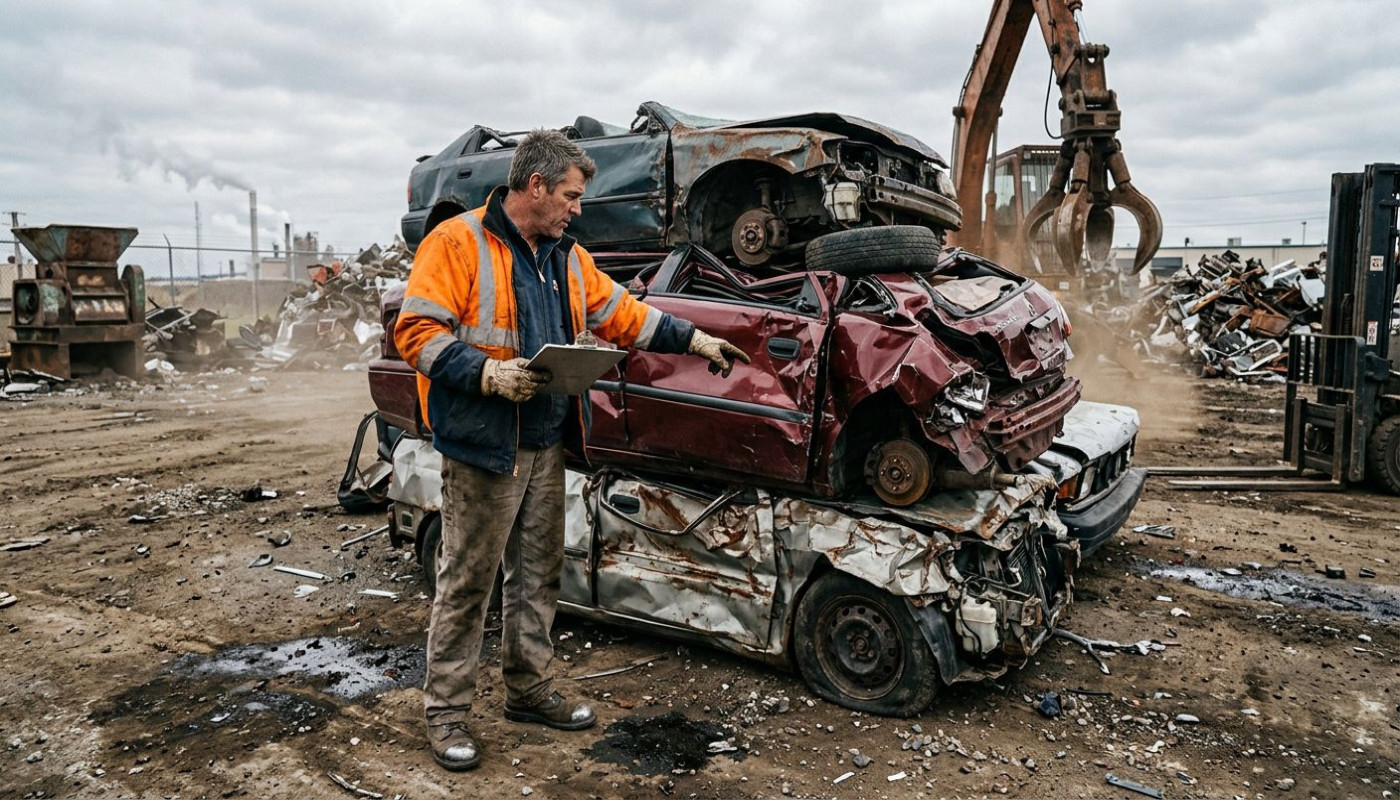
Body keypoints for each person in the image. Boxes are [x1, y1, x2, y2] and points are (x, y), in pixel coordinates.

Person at [394, 129, 748, 772]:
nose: (577, 208)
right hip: (483, 444)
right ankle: (446, 713)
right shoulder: (456, 242)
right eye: (571, 196)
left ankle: (528, 690)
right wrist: (487, 374)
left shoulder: (563, 255)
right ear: (535, 187)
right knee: (469, 582)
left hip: (544, 441)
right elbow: (416, 332)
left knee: (537, 575)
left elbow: (622, 312)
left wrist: (695, 341)